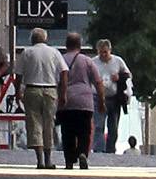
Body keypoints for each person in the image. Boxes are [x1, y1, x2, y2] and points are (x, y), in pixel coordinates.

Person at [14, 22, 63, 167]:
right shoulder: (54, 52)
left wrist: (18, 92)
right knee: (49, 123)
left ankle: (39, 160)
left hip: (32, 90)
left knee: (34, 123)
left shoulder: (27, 52)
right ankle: (49, 160)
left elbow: (18, 75)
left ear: (32, 39)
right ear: (45, 39)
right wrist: (62, 90)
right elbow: (64, 71)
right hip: (50, 90)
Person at [57, 33, 104, 170]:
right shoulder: (87, 60)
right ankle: (83, 153)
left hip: (66, 101)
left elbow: (56, 79)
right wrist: (101, 101)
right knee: (84, 131)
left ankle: (69, 160)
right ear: (80, 45)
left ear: (66, 45)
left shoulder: (60, 59)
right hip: (85, 102)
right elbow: (98, 82)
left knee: (67, 132)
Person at [93, 35, 131, 156]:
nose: (103, 55)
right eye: (101, 52)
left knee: (113, 126)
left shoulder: (118, 61)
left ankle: (110, 149)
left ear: (110, 50)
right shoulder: (93, 62)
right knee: (99, 124)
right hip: (98, 97)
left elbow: (128, 75)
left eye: (105, 52)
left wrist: (119, 78)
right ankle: (99, 149)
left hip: (114, 98)